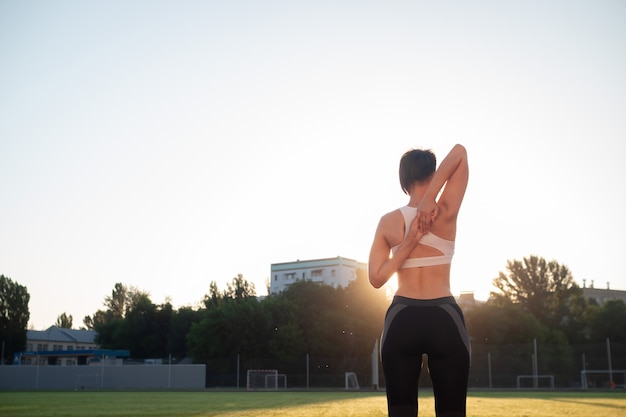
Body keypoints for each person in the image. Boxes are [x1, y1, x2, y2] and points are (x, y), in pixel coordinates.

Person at [368, 144, 470, 417]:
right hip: (445, 318)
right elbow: (459, 152)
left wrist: (408, 239)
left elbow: (377, 279)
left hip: (402, 318)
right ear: (433, 174)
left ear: (404, 181)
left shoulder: (388, 222)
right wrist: (429, 203)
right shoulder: (445, 210)